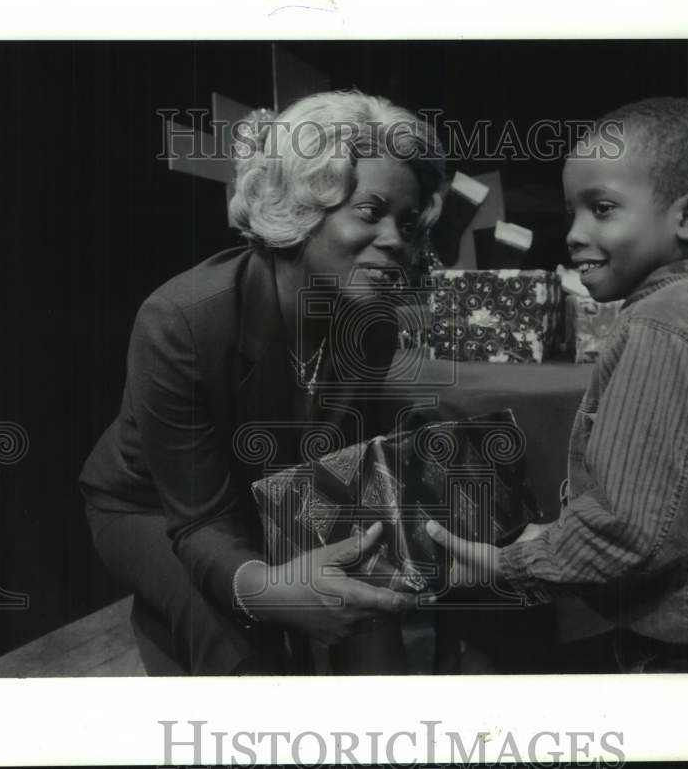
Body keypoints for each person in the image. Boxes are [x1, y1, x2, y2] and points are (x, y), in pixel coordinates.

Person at [427, 97, 688, 672]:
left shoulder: (657, 332)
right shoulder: (684, 304)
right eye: (573, 211)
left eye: (603, 208)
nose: (574, 232)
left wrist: (508, 564)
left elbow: (630, 530)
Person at [80, 90, 446, 675]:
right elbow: (199, 520)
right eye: (371, 212)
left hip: (275, 497)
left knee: (373, 620)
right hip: (155, 509)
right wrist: (269, 591)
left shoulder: (372, 322)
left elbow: (349, 469)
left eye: (407, 221)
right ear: (302, 205)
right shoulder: (180, 319)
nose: (397, 241)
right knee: (243, 648)